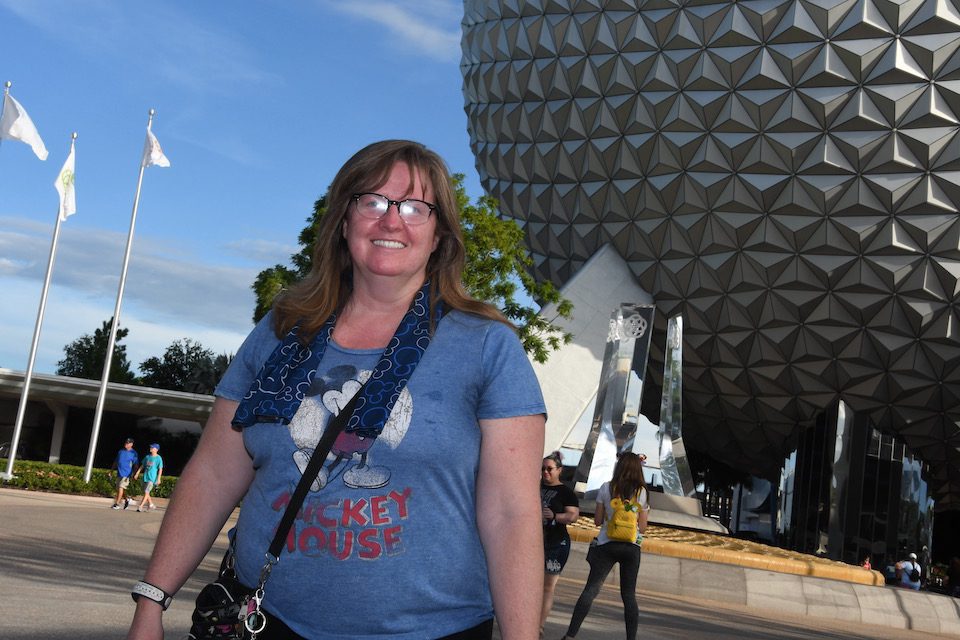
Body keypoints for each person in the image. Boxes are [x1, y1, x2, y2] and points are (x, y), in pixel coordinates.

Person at [126, 140, 546, 640]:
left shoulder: (486, 346)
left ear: (438, 236)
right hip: (268, 621)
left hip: (433, 630)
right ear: (344, 221)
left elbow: (510, 511)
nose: (392, 221)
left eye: (415, 207)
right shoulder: (283, 331)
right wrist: (152, 600)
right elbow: (215, 472)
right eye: (372, 202)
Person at [562, 452, 650, 640]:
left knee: (590, 590)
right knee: (629, 596)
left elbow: (597, 521)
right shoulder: (641, 492)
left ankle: (570, 635)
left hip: (606, 544)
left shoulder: (606, 488)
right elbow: (642, 528)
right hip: (631, 547)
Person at [540, 451, 579, 636]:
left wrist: (555, 516)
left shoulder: (566, 493)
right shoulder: (534, 485)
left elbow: (573, 516)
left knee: (547, 587)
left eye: (549, 469)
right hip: (532, 542)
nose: (545, 472)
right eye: (542, 469)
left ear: (559, 470)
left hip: (555, 543)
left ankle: (538, 627)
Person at [110, 437, 139, 510]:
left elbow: (136, 465)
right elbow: (116, 462)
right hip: (119, 473)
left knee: (121, 487)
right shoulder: (120, 451)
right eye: (126, 442)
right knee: (120, 489)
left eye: (128, 443)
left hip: (126, 474)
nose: (126, 444)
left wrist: (135, 474)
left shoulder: (134, 453)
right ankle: (126, 500)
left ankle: (117, 504)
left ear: (131, 444)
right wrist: (111, 471)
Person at [134, 444, 163, 512]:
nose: (151, 448)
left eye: (152, 447)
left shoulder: (158, 458)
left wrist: (158, 478)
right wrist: (137, 473)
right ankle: (151, 504)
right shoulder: (147, 457)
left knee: (146, 492)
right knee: (146, 493)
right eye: (150, 447)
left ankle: (140, 506)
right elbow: (142, 466)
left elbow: (160, 469)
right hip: (145, 477)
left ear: (156, 449)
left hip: (152, 478)